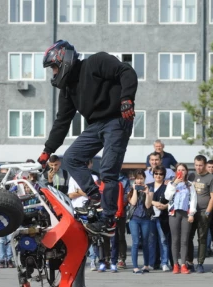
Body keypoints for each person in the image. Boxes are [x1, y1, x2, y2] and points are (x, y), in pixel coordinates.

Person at [37, 40, 138, 236]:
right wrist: (48, 150)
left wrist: (127, 98)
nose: (54, 73)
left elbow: (126, 71)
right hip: (96, 126)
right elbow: (62, 121)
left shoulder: (96, 62)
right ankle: (95, 197)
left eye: (55, 68)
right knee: (71, 157)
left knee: (108, 170)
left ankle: (109, 221)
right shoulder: (67, 89)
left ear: (63, 59)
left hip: (117, 119)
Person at [186, 155, 213, 273]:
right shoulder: (191, 176)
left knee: (202, 238)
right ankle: (189, 262)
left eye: (200, 165)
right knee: (188, 237)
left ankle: (200, 263)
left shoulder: (211, 178)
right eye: (196, 165)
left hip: (204, 212)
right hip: (191, 212)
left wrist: (208, 212)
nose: (198, 167)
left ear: (205, 165)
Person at [68, 159, 101, 270]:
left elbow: (94, 194)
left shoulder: (94, 178)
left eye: (88, 163)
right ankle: (78, 259)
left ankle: (93, 260)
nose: (86, 166)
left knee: (91, 235)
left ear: (91, 164)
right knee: (77, 235)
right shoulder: (73, 178)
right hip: (77, 209)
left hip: (89, 208)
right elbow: (70, 195)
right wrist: (83, 192)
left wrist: (80, 192)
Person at [165, 163, 197, 274]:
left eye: (183, 170)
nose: (181, 172)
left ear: (186, 171)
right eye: (179, 170)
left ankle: (183, 264)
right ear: (175, 172)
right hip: (174, 213)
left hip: (186, 213)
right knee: (175, 240)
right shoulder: (170, 184)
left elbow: (193, 199)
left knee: (184, 240)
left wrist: (192, 213)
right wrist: (174, 185)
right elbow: (167, 197)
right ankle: (175, 264)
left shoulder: (190, 185)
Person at [128, 170, 153, 274]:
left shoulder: (149, 189)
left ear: (144, 179)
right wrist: (134, 190)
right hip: (134, 219)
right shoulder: (130, 189)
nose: (139, 181)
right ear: (135, 179)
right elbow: (133, 202)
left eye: (141, 178)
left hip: (145, 219)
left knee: (145, 242)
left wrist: (147, 193)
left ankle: (146, 265)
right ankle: (135, 267)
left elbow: (148, 205)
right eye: (137, 178)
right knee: (135, 242)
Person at [148, 165, 171, 272]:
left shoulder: (167, 186)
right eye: (156, 173)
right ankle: (152, 263)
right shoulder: (148, 186)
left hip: (163, 217)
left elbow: (172, 199)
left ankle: (164, 262)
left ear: (164, 175)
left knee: (163, 240)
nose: (158, 176)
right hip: (151, 216)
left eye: (161, 174)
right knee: (152, 241)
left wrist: (165, 206)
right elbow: (143, 199)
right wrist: (154, 202)